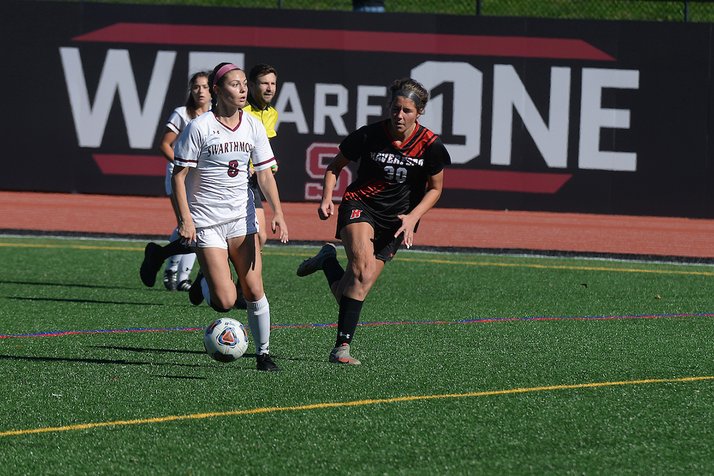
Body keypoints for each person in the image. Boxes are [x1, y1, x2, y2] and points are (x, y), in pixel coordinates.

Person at [296, 78, 451, 365]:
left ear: (419, 113)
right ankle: (341, 348)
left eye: (407, 111)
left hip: (398, 219)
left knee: (356, 288)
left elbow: (435, 188)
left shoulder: (430, 145)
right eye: (396, 108)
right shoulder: (369, 134)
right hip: (360, 205)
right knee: (362, 268)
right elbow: (334, 167)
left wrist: (414, 217)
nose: (399, 115)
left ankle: (327, 261)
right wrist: (326, 197)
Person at [172, 62, 289, 371]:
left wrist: (277, 212)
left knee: (253, 288)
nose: (242, 89)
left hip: (241, 218)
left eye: (243, 84)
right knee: (224, 301)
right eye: (235, 84)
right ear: (217, 90)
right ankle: (209, 278)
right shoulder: (199, 127)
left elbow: (264, 174)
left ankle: (263, 354)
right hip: (207, 221)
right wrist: (185, 218)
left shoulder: (253, 125)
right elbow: (179, 176)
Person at [156, 71, 211, 291]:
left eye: (205, 86)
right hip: (178, 176)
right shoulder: (182, 114)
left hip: (199, 179)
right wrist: (183, 164)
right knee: (187, 222)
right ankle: (176, 273)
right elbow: (165, 144)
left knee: (192, 224)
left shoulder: (214, 115)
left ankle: (175, 271)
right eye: (196, 86)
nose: (200, 91)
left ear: (212, 90)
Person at [243, 63, 279, 250]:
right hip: (233, 178)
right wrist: (245, 165)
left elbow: (264, 147)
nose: (269, 88)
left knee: (260, 237)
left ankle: (205, 278)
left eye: (273, 83)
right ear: (252, 85)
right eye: (264, 83)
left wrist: (270, 163)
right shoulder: (240, 111)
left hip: (253, 180)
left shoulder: (272, 113)